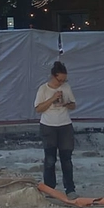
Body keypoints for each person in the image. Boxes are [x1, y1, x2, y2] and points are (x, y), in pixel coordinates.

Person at [35, 61, 78, 198]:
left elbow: (73, 105)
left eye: (64, 80)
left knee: (66, 158)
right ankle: (49, 189)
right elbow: (38, 109)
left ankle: (70, 189)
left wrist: (66, 103)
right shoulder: (43, 89)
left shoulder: (66, 87)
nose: (62, 83)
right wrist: (52, 98)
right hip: (48, 126)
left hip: (65, 125)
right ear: (53, 76)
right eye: (60, 80)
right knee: (50, 159)